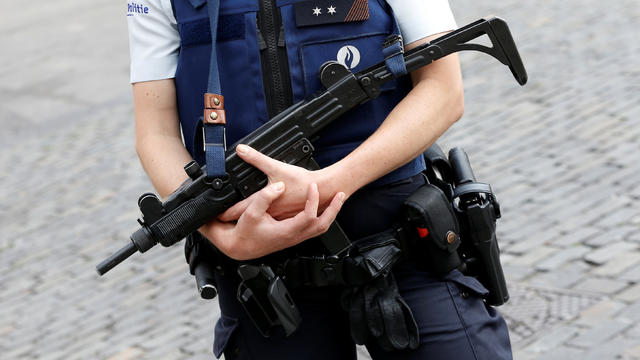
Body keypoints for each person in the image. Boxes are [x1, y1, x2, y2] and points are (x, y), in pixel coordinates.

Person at [127, 0, 513, 359]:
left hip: (403, 242)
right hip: (262, 277)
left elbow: (443, 90)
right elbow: (155, 133)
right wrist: (218, 233)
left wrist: (329, 185)